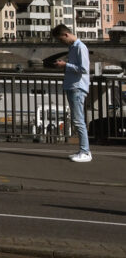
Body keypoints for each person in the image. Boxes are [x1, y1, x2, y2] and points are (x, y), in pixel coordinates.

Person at [53, 24, 91, 162]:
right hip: (72, 86)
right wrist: (65, 66)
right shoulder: (73, 47)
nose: (61, 43)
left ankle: (85, 152)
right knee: (77, 120)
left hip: (77, 87)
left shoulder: (80, 47)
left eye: (60, 40)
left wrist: (65, 65)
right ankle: (83, 150)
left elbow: (84, 69)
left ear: (66, 35)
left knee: (79, 121)